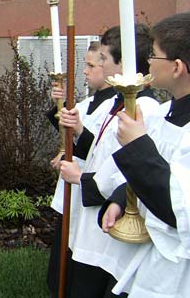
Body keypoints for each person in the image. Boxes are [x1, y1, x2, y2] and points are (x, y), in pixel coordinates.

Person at [55, 24, 159, 298]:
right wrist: (79, 130)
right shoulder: (115, 101)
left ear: (123, 62)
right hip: (91, 225)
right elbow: (103, 151)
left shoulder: (145, 110)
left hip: (108, 228)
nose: (99, 64)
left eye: (103, 59)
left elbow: (130, 171)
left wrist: (80, 178)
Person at [97, 12, 190, 297]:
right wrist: (120, 199)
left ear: (176, 67)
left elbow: (180, 207)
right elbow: (157, 170)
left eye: (153, 54)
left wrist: (137, 146)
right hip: (151, 257)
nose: (147, 61)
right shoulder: (163, 114)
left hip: (179, 270)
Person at [46, 41, 117, 298]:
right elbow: (72, 138)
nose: (85, 71)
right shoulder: (89, 103)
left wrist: (72, 144)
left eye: (91, 65)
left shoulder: (114, 107)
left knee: (78, 252)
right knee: (64, 248)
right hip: (75, 184)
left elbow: (95, 146)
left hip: (88, 188)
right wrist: (60, 103)